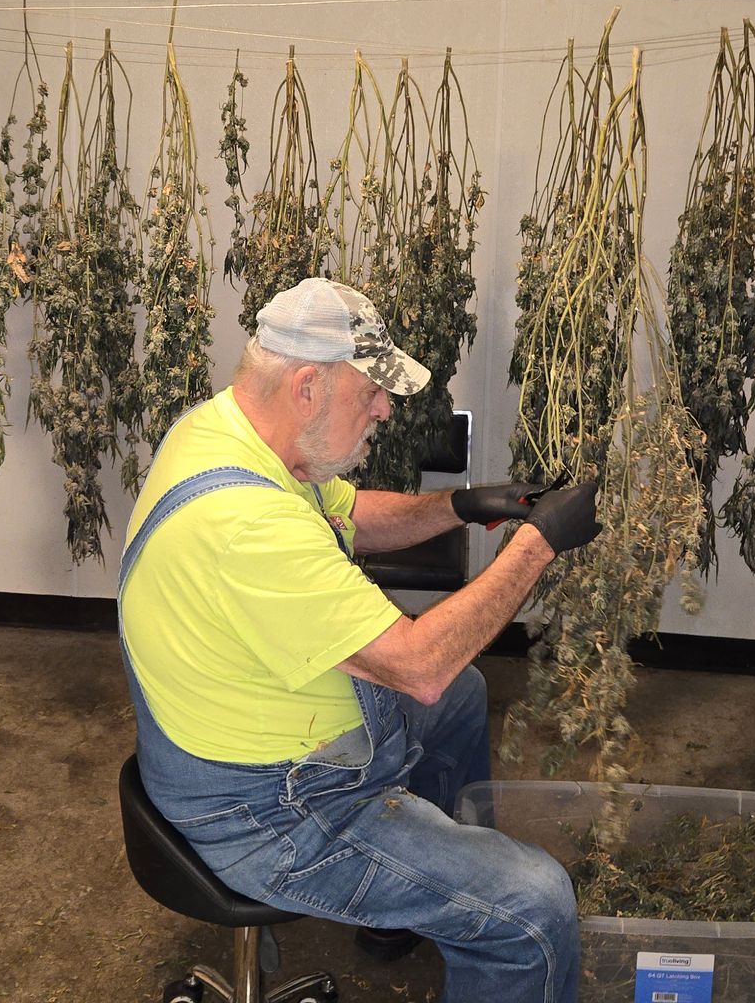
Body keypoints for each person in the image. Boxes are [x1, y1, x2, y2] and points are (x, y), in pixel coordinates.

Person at [119, 276, 603, 1003]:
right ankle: (477, 915)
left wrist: (467, 506)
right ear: (308, 385)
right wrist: (536, 546)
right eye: (370, 389)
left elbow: (353, 515)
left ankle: (410, 914)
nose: (384, 407)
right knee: (533, 906)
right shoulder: (248, 527)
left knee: (468, 698)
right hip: (268, 809)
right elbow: (422, 668)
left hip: (255, 739)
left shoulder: (231, 433)